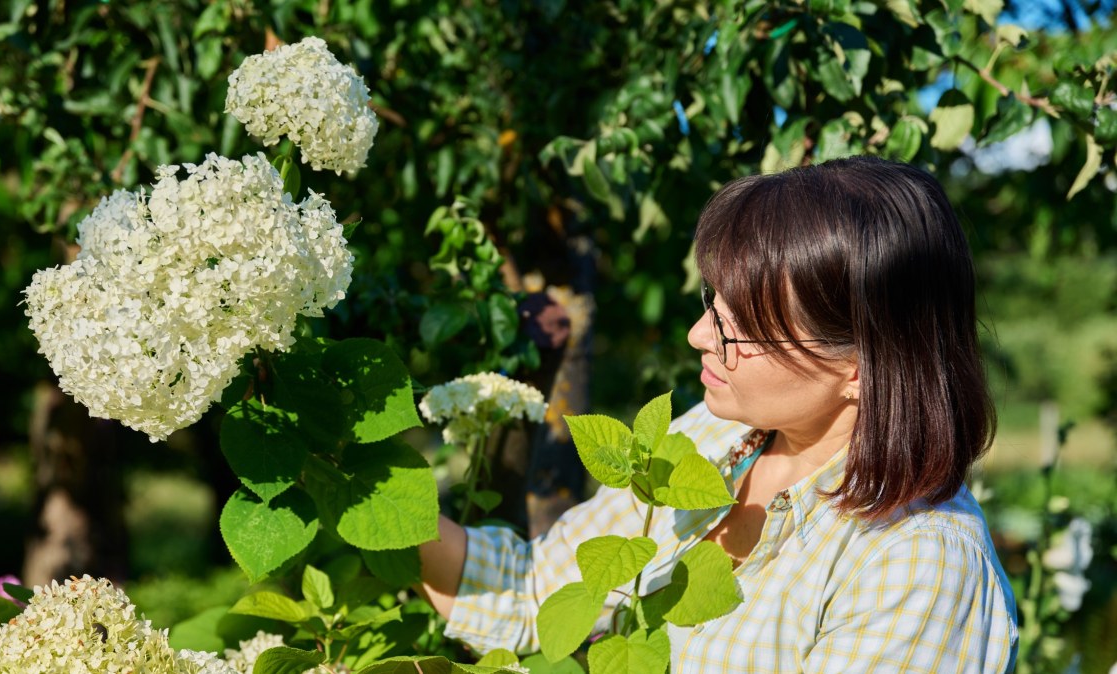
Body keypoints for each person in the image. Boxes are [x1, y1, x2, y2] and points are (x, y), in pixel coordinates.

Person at [416, 156, 1019, 672]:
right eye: (715, 304)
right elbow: (533, 592)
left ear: (862, 366)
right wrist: (370, 482)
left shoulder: (918, 566)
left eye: (742, 328)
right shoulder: (712, 439)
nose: (698, 335)